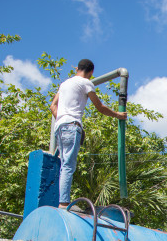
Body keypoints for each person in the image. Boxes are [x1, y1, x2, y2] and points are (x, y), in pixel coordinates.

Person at [50, 59, 127, 209]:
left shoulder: (64, 84)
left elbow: (53, 105)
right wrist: (117, 115)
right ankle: (63, 203)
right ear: (91, 72)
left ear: (77, 69)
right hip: (72, 126)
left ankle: (62, 200)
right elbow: (100, 107)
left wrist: (62, 119)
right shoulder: (86, 83)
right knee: (68, 166)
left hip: (59, 127)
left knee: (63, 164)